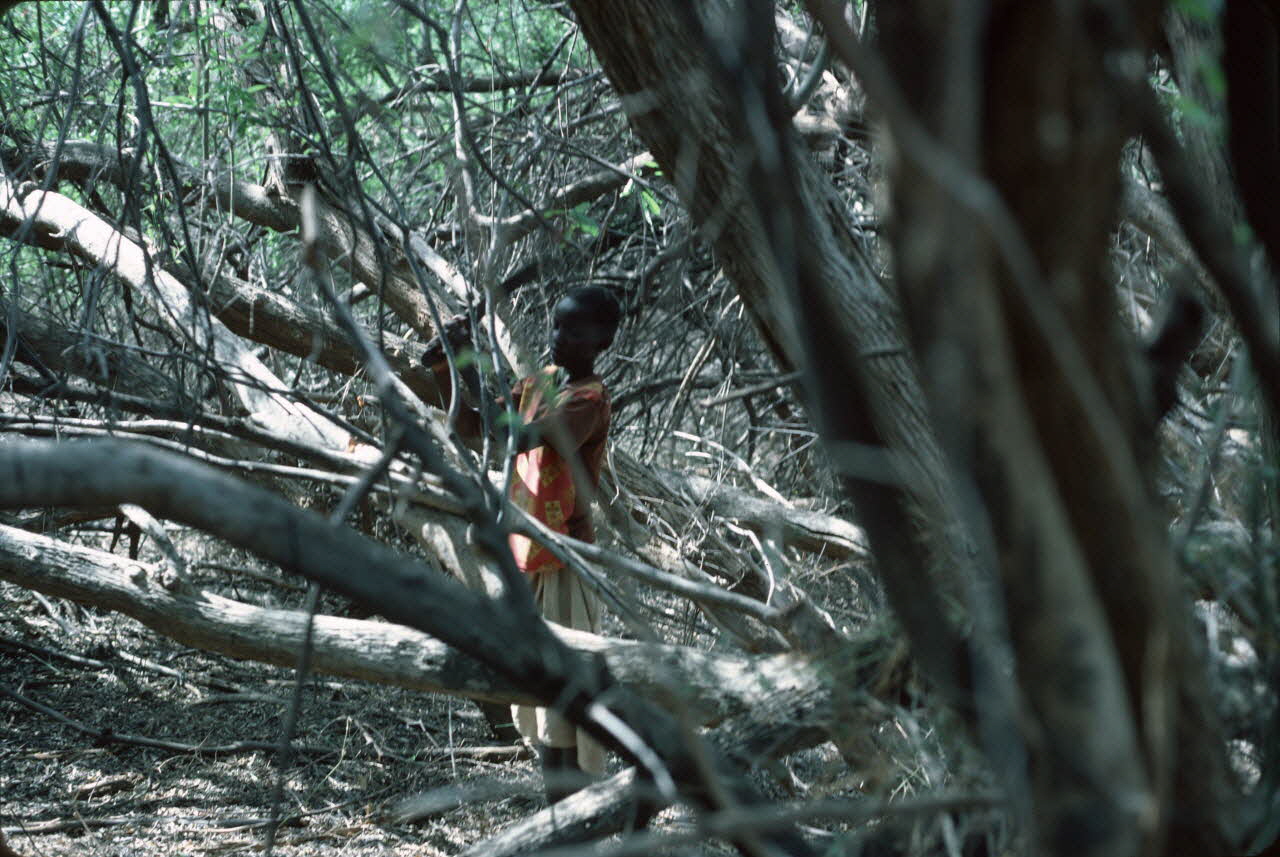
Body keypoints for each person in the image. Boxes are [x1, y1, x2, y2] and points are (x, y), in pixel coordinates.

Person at [423, 286, 621, 801]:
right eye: (556, 325)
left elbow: (524, 436)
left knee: (567, 698)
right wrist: (448, 366)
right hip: (527, 554)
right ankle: (560, 815)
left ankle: (572, 815)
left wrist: (466, 360)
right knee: (542, 697)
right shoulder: (540, 383)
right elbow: (475, 426)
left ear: (603, 340)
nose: (558, 338)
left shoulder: (588, 401)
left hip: (565, 558)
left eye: (574, 331)